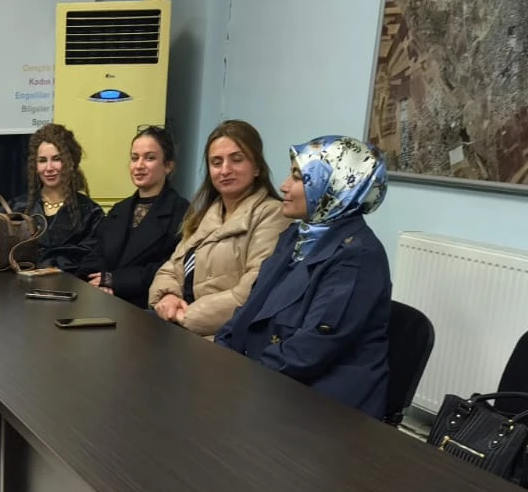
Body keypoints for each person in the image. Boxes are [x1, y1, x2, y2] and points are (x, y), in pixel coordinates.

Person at [216, 136, 391, 418]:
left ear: (335, 186)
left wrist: (239, 378)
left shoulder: (358, 255)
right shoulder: (296, 236)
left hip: (324, 408)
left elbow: (308, 352)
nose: (284, 186)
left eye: (298, 177)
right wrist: (219, 354)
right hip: (273, 382)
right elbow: (250, 309)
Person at [148, 120, 290, 337]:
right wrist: (167, 296)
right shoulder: (205, 214)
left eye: (237, 159)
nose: (225, 170)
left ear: (257, 167)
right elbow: (170, 269)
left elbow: (253, 291)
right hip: (180, 326)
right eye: (216, 162)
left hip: (222, 338)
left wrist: (185, 316)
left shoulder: (272, 214)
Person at [78, 126, 189, 309]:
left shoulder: (182, 212)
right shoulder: (119, 209)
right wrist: (99, 283)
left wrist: (115, 281)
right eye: (134, 158)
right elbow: (95, 253)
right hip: (103, 301)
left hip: (145, 307)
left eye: (150, 158)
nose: (139, 165)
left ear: (168, 166)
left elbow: (171, 267)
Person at [10, 123, 103, 273]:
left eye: (56, 159)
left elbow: (91, 262)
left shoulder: (91, 213)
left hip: (71, 285)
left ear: (71, 162)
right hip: (21, 286)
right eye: (42, 160)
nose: (49, 168)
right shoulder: (16, 208)